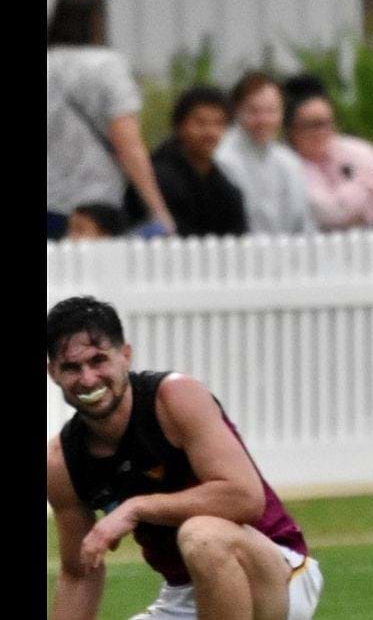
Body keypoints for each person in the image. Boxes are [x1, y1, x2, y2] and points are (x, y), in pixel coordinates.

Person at [46, 296, 323, 618]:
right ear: (53, 373)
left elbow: (245, 498)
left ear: (125, 356)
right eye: (71, 367)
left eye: (98, 360)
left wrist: (135, 508)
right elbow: (79, 574)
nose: (88, 379)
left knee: (202, 535)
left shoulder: (174, 398)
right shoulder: (61, 462)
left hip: (274, 573)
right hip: (184, 593)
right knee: (200, 540)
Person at [48, 0, 175, 239]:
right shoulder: (107, 66)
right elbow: (127, 143)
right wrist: (158, 209)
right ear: (98, 19)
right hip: (96, 204)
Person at [282, 74, 373, 230]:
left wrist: (372, 209)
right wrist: (364, 190)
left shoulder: (354, 150)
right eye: (312, 125)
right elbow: (328, 212)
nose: (321, 132)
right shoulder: (287, 164)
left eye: (326, 123)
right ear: (291, 129)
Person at [127, 86, 248, 237]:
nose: (210, 132)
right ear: (179, 126)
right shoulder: (155, 179)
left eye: (219, 124)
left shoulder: (226, 189)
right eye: (200, 123)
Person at [215, 72, 317, 235]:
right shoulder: (221, 159)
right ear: (236, 110)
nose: (263, 120)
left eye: (271, 111)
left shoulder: (289, 161)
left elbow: (304, 223)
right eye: (254, 111)